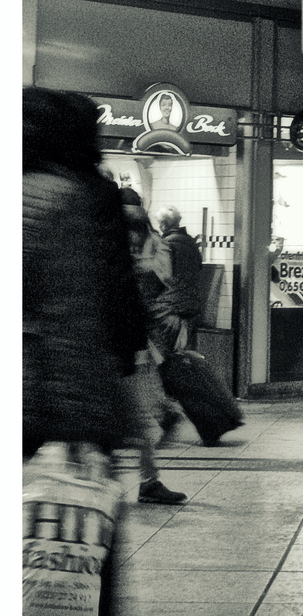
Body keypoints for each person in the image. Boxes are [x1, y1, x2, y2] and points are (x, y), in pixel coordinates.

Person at [23, 87, 146, 616]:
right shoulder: (63, 198)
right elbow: (71, 317)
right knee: (88, 526)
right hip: (46, 400)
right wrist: (81, 420)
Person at [121, 205, 189, 505]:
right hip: (118, 349)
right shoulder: (114, 258)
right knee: (140, 419)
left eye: (141, 232)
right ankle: (146, 481)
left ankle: (148, 481)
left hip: (134, 347)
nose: (136, 241)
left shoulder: (151, 254)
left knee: (146, 418)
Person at [155, 205, 204, 350]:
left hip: (172, 307)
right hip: (191, 305)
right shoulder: (191, 243)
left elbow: (161, 275)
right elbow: (198, 267)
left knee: (167, 351)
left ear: (164, 224)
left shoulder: (166, 244)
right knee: (185, 351)